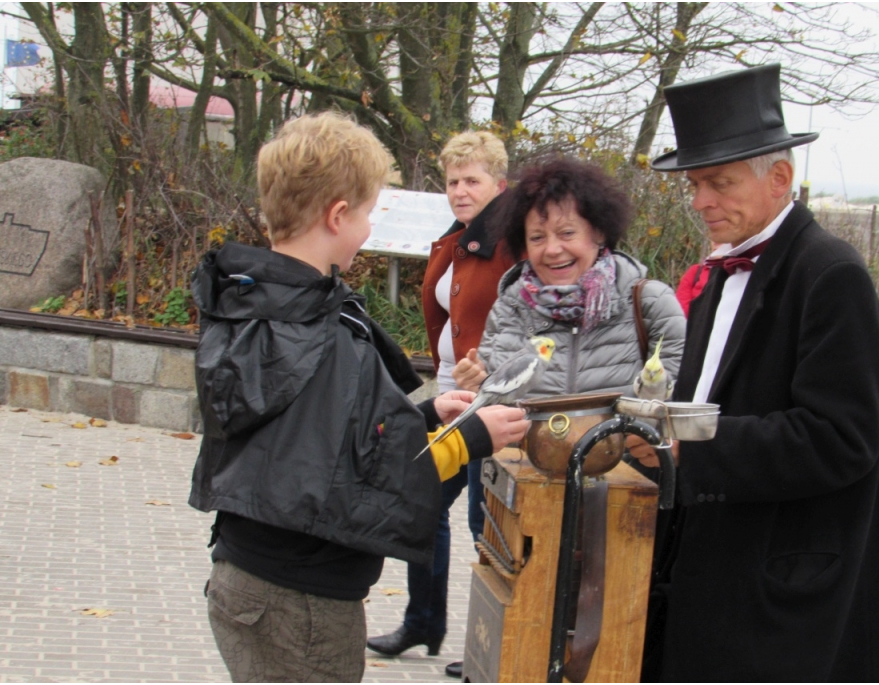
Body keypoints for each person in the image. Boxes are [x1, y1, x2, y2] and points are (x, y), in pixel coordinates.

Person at [188, 111, 529, 683]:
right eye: (368, 212)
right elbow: (363, 471)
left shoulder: (256, 303)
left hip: (245, 576)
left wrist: (421, 414)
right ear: (338, 214)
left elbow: (308, 435)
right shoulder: (316, 330)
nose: (369, 227)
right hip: (301, 604)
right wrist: (472, 436)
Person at [631, 63, 879, 681]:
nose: (701, 201)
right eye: (696, 184)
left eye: (719, 183)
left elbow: (843, 440)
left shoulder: (831, 274)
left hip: (780, 592)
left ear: (779, 178)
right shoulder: (716, 273)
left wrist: (687, 447)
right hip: (708, 571)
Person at [366, 131, 516, 680]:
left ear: (499, 185)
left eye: (471, 180)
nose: (460, 190)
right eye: (452, 181)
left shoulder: (514, 242)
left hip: (496, 401)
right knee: (420, 498)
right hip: (451, 396)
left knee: (487, 525)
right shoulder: (452, 239)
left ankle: (496, 644)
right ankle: (424, 620)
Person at [455, 157, 686, 410]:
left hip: (620, 450)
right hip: (523, 451)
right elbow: (491, 410)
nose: (552, 250)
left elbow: (680, 401)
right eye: (537, 237)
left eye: (567, 233)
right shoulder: (508, 309)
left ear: (598, 232)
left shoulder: (650, 304)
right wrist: (476, 386)